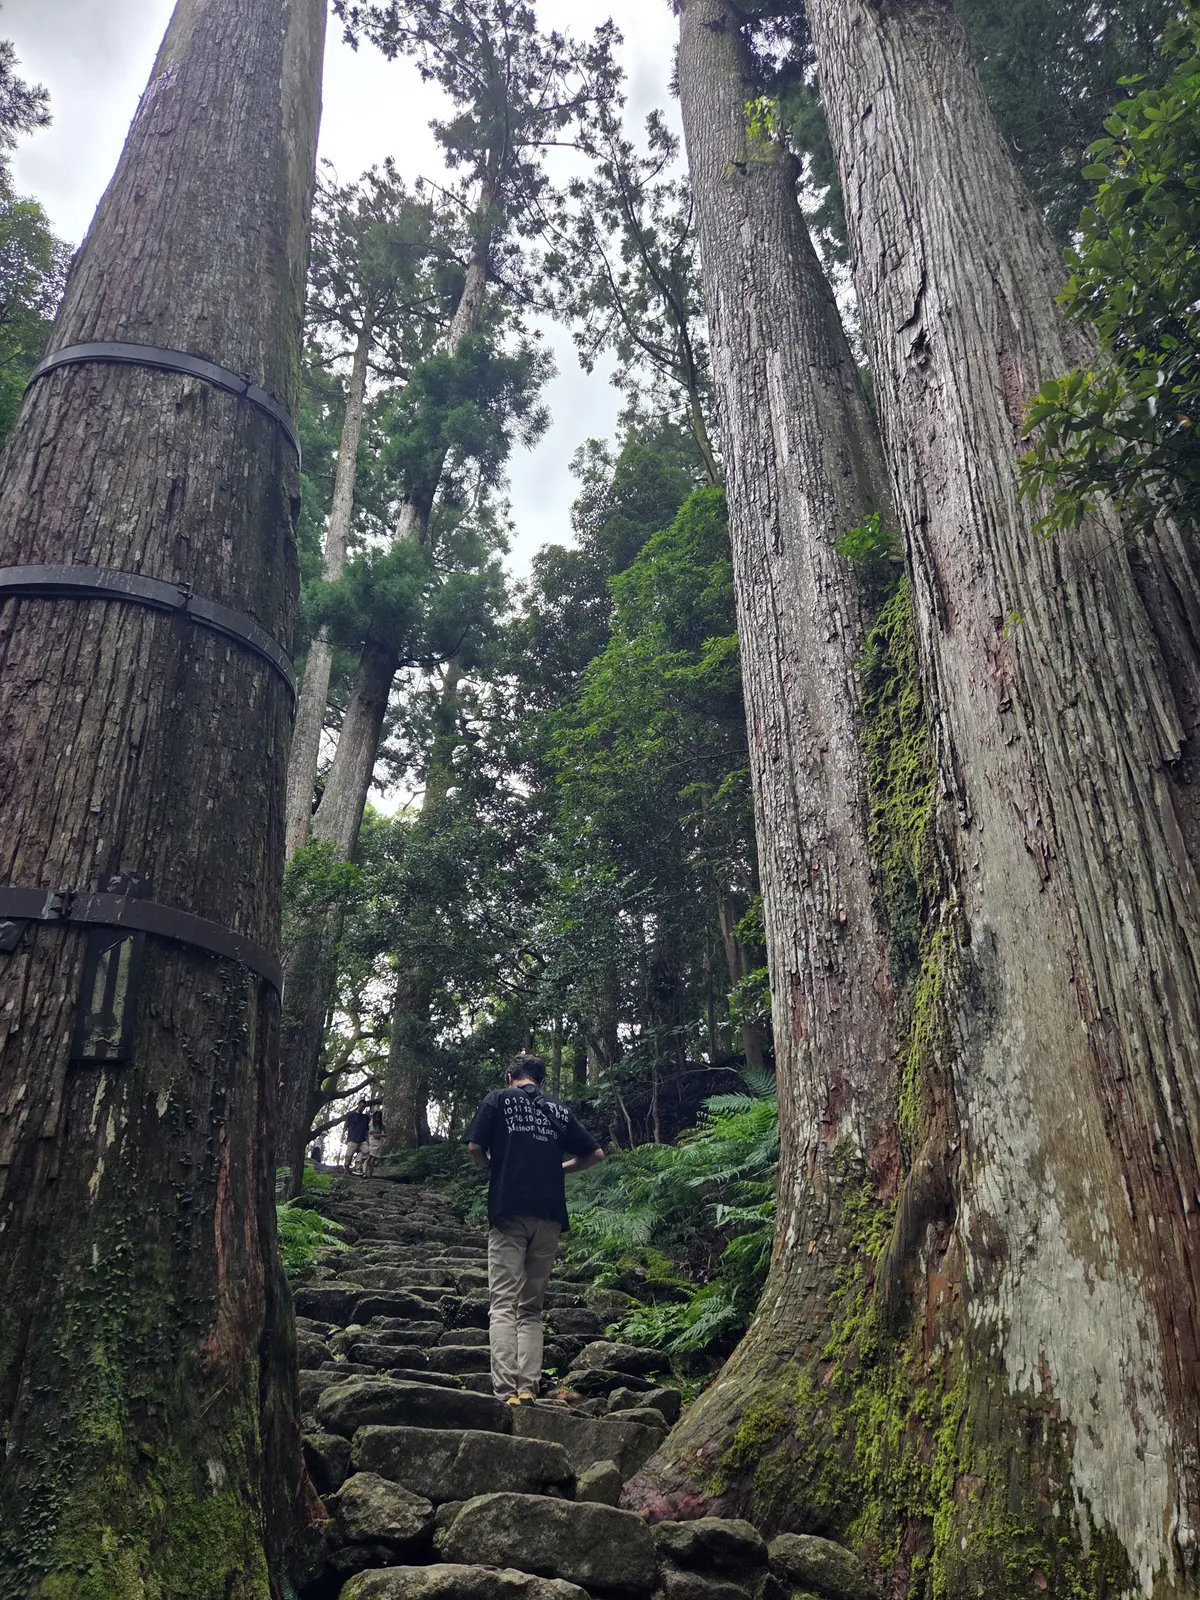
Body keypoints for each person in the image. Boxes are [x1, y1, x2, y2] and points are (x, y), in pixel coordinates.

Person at [465, 1053, 604, 1405]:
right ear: (539, 1080)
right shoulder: (559, 1110)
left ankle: (505, 1392)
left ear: (510, 1075)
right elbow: (595, 1154)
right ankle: (528, 1388)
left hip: (509, 1210)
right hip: (550, 1215)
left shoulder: (498, 1098)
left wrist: (493, 1166)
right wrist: (561, 1169)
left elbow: (475, 1147)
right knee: (530, 1309)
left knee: (503, 1305)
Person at [344, 1102, 371, 1174]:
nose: (362, 1108)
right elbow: (346, 1126)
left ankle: (358, 1167)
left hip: (362, 1139)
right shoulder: (351, 1115)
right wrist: (343, 1136)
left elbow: (367, 1129)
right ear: (358, 1105)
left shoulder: (366, 1117)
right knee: (349, 1155)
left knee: (367, 1152)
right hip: (352, 1138)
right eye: (361, 1106)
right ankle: (346, 1168)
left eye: (364, 1107)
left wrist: (368, 1139)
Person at [364, 1109, 386, 1178]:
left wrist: (380, 1135)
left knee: (373, 1159)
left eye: (379, 1117)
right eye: (376, 1117)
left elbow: (387, 1134)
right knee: (368, 1158)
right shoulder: (371, 1124)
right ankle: (365, 1173)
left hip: (378, 1142)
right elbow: (369, 1132)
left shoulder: (382, 1125)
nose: (377, 1119)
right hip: (371, 1141)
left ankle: (370, 1174)